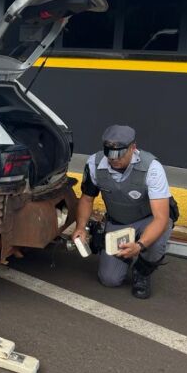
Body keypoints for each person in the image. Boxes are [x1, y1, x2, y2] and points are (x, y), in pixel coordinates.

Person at [71, 125, 175, 299]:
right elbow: (87, 199)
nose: (114, 160)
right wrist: (80, 227)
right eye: (109, 155)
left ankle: (142, 271)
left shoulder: (152, 168)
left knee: (158, 236)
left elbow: (161, 218)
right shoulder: (94, 163)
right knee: (109, 279)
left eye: (119, 155)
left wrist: (139, 245)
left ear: (133, 148)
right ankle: (121, 251)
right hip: (119, 221)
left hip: (147, 219)